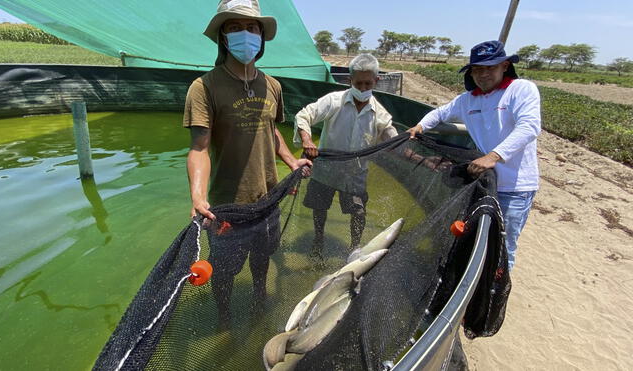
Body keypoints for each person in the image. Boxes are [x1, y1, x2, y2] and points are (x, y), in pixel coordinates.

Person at [183, 0, 311, 328]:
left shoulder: (273, 85)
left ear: (262, 36)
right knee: (224, 270)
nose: (245, 34)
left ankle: (258, 300)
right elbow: (199, 148)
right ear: (222, 36)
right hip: (228, 206)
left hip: (268, 199)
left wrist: (290, 161)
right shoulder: (204, 87)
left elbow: (271, 129)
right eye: (234, 27)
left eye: (252, 27)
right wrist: (198, 197)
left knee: (262, 258)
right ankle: (224, 316)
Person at [408, 40, 541, 270]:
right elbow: (440, 114)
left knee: (502, 249)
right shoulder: (468, 100)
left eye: (490, 67)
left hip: (514, 188)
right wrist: (419, 127)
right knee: (477, 242)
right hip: (482, 183)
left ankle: (493, 300)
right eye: (478, 69)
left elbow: (529, 127)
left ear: (505, 66)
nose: (484, 74)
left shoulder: (521, 90)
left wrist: (493, 156)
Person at [294, 53, 398, 257]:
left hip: (355, 173)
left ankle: (354, 247)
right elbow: (304, 115)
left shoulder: (380, 113)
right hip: (326, 169)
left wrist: (412, 152)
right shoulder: (334, 101)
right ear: (349, 80)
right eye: (358, 83)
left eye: (368, 84)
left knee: (358, 211)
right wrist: (307, 140)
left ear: (376, 81)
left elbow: (391, 136)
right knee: (319, 207)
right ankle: (318, 239)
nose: (362, 89)